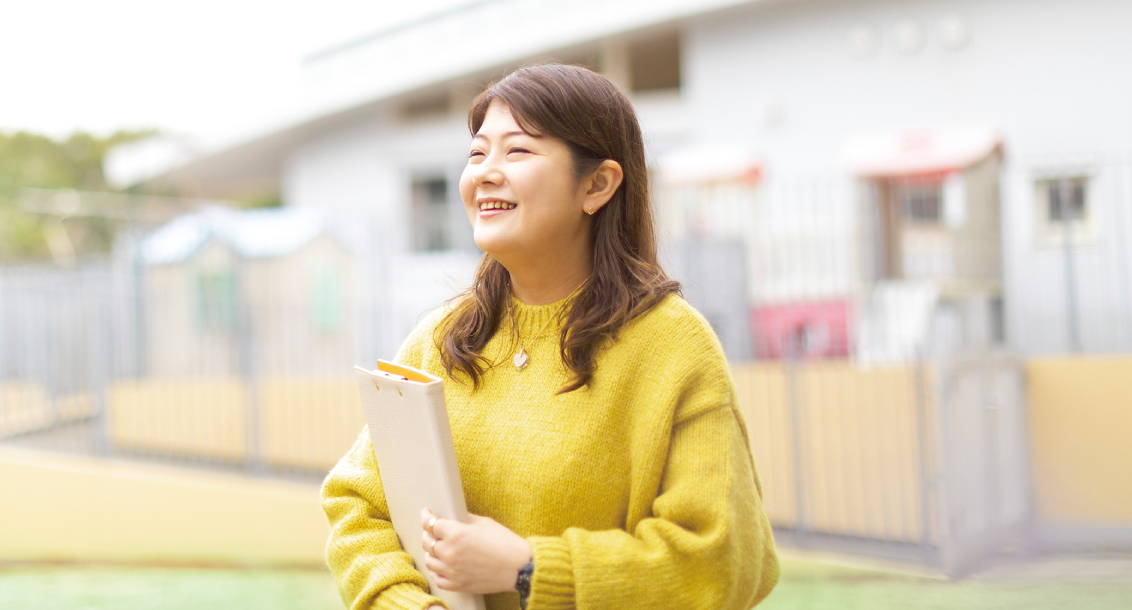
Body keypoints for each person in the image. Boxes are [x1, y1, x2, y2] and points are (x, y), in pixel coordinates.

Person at [321, 64, 779, 610]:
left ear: (598, 184)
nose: (486, 172)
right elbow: (357, 505)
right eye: (476, 154)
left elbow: (722, 562)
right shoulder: (440, 339)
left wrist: (528, 568)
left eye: (517, 152)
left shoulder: (673, 346)